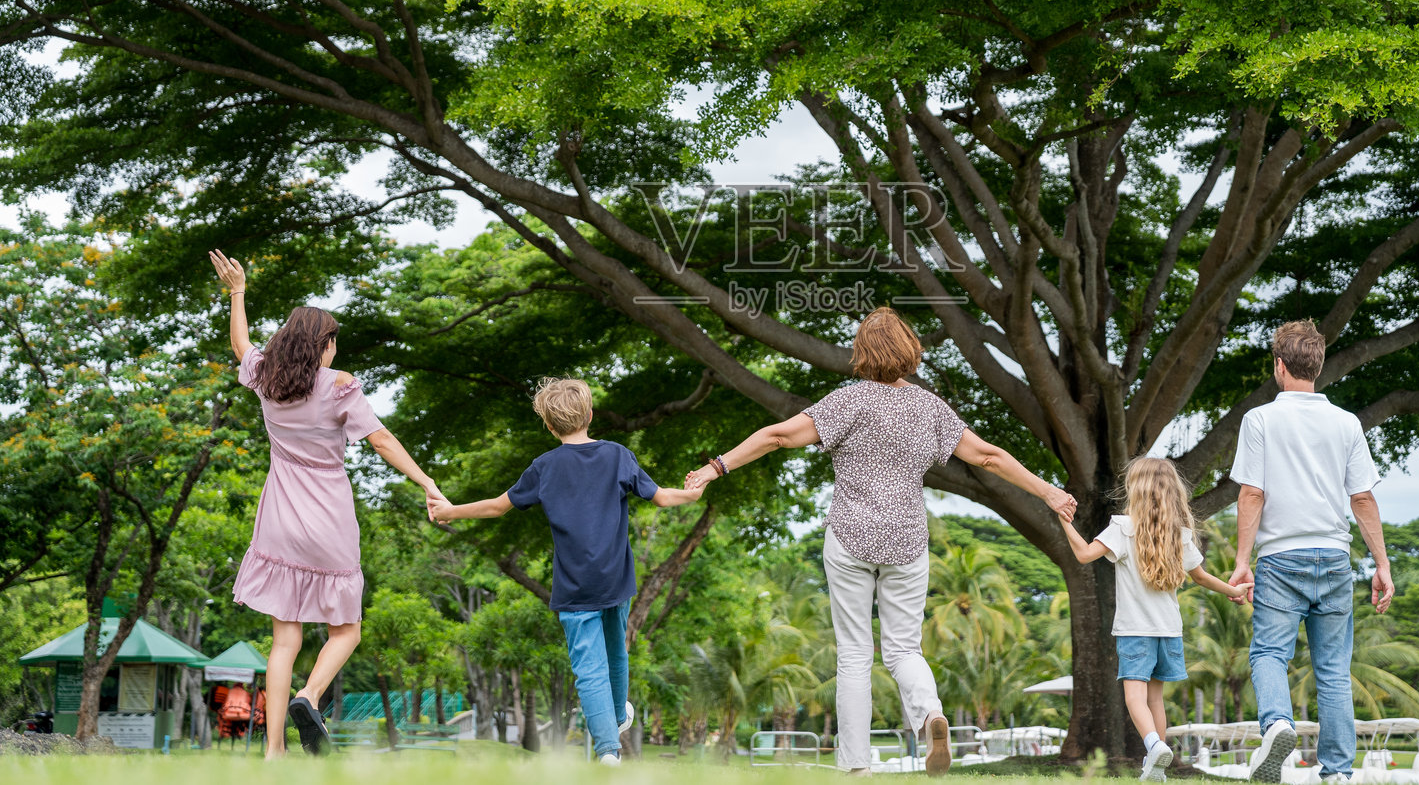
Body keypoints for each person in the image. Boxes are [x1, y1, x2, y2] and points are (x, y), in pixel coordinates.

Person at [684, 306, 1077, 778]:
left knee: (854, 654)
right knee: (904, 650)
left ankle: (856, 768)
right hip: (907, 541)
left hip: (850, 536)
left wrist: (716, 467)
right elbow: (988, 457)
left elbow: (778, 437)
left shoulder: (848, 401)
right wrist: (1049, 491)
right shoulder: (929, 408)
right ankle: (930, 714)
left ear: (862, 353)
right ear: (910, 351)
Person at [208, 250, 444, 759]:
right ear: (324, 344)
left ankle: (274, 753)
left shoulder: (267, 379)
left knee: (284, 640)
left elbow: (241, 345)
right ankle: (310, 695)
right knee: (346, 630)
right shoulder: (338, 386)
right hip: (329, 516)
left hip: (279, 517)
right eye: (334, 341)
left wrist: (237, 292)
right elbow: (381, 440)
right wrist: (426, 480)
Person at [427, 377, 703, 766]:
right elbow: (660, 498)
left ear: (550, 426)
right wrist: (691, 494)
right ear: (589, 415)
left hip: (574, 586)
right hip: (615, 578)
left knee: (590, 669)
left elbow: (497, 507)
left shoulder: (544, 467)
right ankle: (617, 716)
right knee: (616, 651)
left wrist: (450, 511)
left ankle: (607, 750)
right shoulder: (618, 455)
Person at [1227, 320, 1393, 785]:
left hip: (1281, 559)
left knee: (1269, 653)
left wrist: (1242, 562)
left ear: (1280, 366)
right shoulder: (1347, 422)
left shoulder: (1260, 419)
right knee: (1335, 671)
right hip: (1336, 559)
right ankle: (1337, 773)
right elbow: (1363, 498)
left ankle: (1278, 725)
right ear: (1317, 367)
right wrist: (1381, 564)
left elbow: (1252, 494)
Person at [1059, 457, 1252, 782]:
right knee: (1155, 699)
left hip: (1135, 630)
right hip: (1169, 631)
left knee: (1135, 697)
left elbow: (1083, 554)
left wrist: (1065, 521)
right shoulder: (1180, 534)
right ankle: (1156, 764)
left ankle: (1154, 745)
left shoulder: (1123, 528)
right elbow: (1201, 577)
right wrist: (1233, 590)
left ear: (1136, 489)